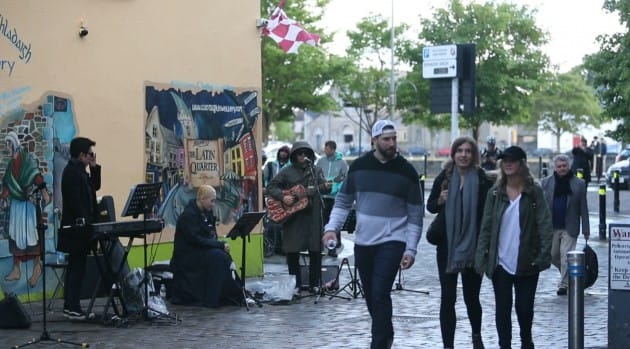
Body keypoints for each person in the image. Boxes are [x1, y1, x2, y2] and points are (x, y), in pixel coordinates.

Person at [323, 120, 423, 349]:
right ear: (374, 140)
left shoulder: (407, 171)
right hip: (364, 242)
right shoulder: (359, 166)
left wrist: (410, 248)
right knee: (371, 295)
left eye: (394, 138)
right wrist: (331, 228)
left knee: (380, 291)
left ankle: (379, 344)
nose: (391, 143)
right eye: (386, 139)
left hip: (393, 241)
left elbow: (415, 215)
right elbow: (343, 201)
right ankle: (385, 334)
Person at [475, 146, 553, 349]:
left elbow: (544, 224)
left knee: (524, 308)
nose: (507, 163)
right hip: (500, 262)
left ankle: (527, 341)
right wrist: (481, 259)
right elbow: (486, 227)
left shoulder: (533, 191)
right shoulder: (495, 192)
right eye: (504, 160)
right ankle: (505, 345)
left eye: (512, 160)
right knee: (502, 308)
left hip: (527, 260)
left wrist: (544, 255)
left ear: (522, 163)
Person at [426, 136, 494, 349]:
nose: (463, 155)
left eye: (468, 151)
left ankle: (476, 336)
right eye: (459, 151)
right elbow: (430, 207)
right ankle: (448, 345)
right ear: (454, 154)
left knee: (471, 297)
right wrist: (440, 200)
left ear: (474, 155)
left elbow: (488, 215)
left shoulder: (483, 179)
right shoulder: (445, 176)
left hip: (473, 247)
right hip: (447, 246)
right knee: (448, 298)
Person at [266, 141, 331, 294]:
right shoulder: (286, 171)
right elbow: (271, 187)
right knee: (292, 250)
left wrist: (327, 186)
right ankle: (294, 285)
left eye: (306, 154)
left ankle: (315, 284)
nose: (303, 156)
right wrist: (283, 197)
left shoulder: (316, 170)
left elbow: (321, 186)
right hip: (293, 217)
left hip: (313, 214)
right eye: (300, 153)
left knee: (315, 250)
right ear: (294, 155)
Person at [169, 185, 243, 307]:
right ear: (202, 199)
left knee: (222, 255)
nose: (213, 204)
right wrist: (219, 245)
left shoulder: (205, 214)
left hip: (199, 251)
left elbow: (209, 236)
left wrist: (219, 245)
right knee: (219, 256)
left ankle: (232, 293)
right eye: (211, 201)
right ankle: (213, 298)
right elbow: (196, 239)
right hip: (188, 256)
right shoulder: (188, 216)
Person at [58, 137, 101, 320]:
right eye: (90, 154)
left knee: (78, 267)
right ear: (82, 155)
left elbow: (95, 187)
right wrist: (85, 222)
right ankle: (72, 306)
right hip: (76, 231)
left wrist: (94, 167)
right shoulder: (71, 173)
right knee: (76, 269)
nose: (92, 156)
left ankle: (71, 305)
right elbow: (76, 202)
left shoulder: (81, 172)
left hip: (83, 229)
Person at [1, 131, 51, 287]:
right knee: (15, 235)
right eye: (5, 144)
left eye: (8, 144)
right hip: (16, 205)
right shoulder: (10, 165)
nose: (6, 147)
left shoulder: (27, 159)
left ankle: (37, 268)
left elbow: (35, 174)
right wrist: (3, 197)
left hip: (28, 205)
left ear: (14, 144)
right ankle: (16, 269)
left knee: (31, 236)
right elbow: (8, 182)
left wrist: (43, 192)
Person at [541, 154, 590, 296]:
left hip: (570, 226)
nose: (562, 169)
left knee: (565, 256)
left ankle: (563, 285)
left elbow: (583, 208)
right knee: (553, 255)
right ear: (555, 168)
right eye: (559, 167)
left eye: (564, 166)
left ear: (569, 166)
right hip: (552, 226)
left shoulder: (579, 184)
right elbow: (541, 206)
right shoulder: (546, 183)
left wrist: (586, 229)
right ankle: (567, 272)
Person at [315, 140, 349, 257]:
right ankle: (320, 247)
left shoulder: (342, 163)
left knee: (334, 222)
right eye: (325, 148)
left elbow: (344, 180)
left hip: (335, 197)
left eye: (328, 148)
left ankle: (333, 246)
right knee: (322, 221)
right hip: (322, 196)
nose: (325, 150)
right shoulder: (320, 161)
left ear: (333, 149)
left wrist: (334, 189)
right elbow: (316, 176)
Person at [262, 145, 290, 255]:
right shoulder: (271, 165)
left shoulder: (289, 166)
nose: (283, 153)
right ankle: (272, 246)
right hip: (272, 195)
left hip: (284, 196)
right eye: (281, 151)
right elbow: (265, 179)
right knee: (272, 221)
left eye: (285, 152)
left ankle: (281, 246)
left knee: (282, 222)